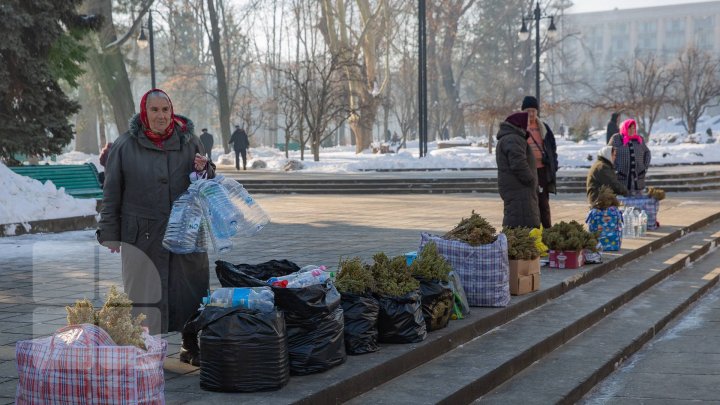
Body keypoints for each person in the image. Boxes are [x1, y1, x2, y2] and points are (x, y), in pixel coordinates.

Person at [96, 88, 215, 335]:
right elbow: (111, 192)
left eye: (165, 109)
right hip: (142, 235)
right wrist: (110, 232)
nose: (161, 115)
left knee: (189, 292)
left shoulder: (190, 140)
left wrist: (205, 169)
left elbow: (207, 177)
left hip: (185, 232)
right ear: (144, 112)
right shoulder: (125, 144)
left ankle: (191, 342)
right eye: (154, 110)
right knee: (143, 296)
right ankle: (145, 348)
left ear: (171, 111)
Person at [496, 111, 541, 229]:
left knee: (516, 217)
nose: (528, 126)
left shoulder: (511, 138)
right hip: (520, 188)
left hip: (516, 188)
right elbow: (518, 163)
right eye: (526, 123)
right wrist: (530, 180)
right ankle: (517, 244)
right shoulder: (513, 139)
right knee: (521, 221)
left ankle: (516, 243)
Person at [521, 96, 558, 229]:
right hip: (527, 171)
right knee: (529, 203)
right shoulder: (519, 127)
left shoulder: (543, 127)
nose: (531, 114)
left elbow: (552, 148)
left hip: (542, 170)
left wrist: (553, 163)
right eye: (528, 110)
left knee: (543, 203)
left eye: (533, 111)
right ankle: (533, 232)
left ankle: (547, 231)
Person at [608, 118, 651, 195]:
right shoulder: (616, 138)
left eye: (633, 128)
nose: (632, 130)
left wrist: (644, 167)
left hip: (638, 178)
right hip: (621, 178)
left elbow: (647, 153)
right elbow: (608, 153)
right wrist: (614, 168)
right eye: (629, 128)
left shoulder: (639, 139)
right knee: (623, 203)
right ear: (624, 128)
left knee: (637, 203)